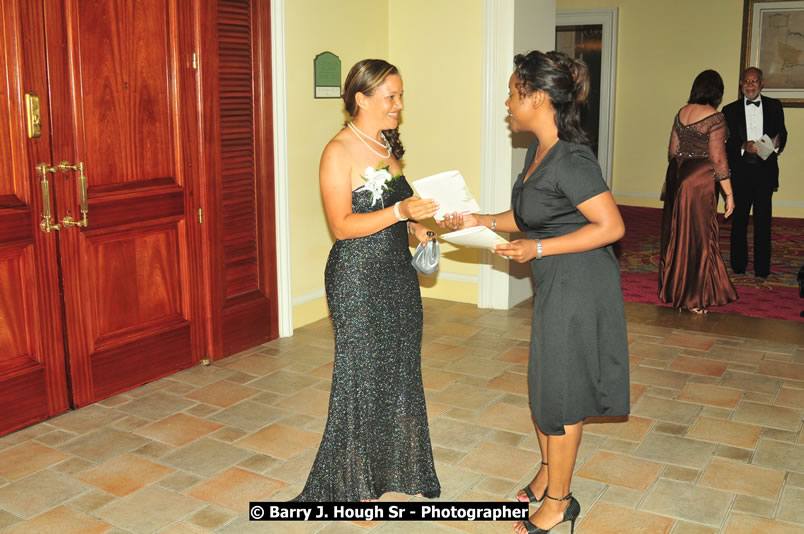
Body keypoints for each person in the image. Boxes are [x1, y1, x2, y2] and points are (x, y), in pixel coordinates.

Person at [443, 50, 630, 534]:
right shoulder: (538, 151)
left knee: (562, 392)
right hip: (557, 280)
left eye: (513, 93)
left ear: (539, 97)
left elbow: (611, 227)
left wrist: (539, 248)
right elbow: (530, 215)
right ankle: (549, 471)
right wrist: (481, 220)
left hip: (580, 283)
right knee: (547, 384)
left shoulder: (571, 158)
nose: (507, 103)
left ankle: (559, 502)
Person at [292, 59, 441, 501]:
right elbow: (342, 225)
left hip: (398, 274)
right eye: (390, 96)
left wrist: (419, 227)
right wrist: (399, 212)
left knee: (399, 371)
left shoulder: (385, 147)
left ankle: (397, 471)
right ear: (361, 98)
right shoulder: (337, 152)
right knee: (361, 377)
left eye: (400, 96)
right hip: (357, 278)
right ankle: (353, 487)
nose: (398, 104)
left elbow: (400, 212)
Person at [659, 70, 738, 314]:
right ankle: (693, 298)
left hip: (677, 174)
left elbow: (672, 150)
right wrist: (729, 194)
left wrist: (681, 169)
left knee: (677, 233)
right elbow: (718, 159)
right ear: (717, 93)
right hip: (698, 180)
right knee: (698, 236)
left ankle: (676, 288)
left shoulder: (682, 112)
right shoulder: (715, 117)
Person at [721, 67, 787, 278]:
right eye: (746, 81)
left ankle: (762, 268)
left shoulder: (775, 106)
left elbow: (783, 134)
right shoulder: (729, 110)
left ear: (762, 83)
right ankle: (738, 265)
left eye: (754, 81)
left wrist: (775, 144)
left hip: (765, 171)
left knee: (763, 222)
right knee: (739, 220)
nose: (750, 85)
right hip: (740, 172)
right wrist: (743, 145)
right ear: (741, 84)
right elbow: (725, 142)